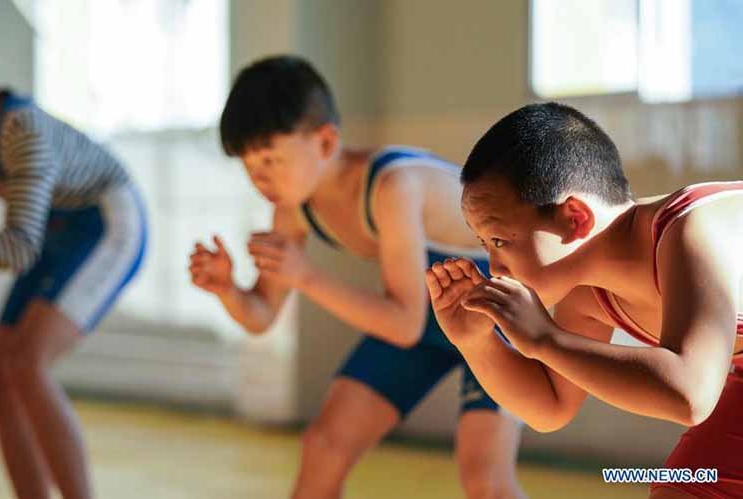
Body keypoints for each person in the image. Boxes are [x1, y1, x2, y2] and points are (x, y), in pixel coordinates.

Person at [189, 55, 526, 499]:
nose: (260, 178)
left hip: (497, 305)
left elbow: (403, 324)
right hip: (427, 312)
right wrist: (227, 290)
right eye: (250, 166)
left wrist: (306, 277)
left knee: (484, 479)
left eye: (271, 159)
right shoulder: (291, 207)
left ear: (326, 142)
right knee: (323, 447)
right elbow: (262, 316)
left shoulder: (393, 185)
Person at [426, 101, 743, 498]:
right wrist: (476, 343)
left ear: (575, 218)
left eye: (501, 241)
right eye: (485, 244)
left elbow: (690, 394)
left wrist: (545, 338)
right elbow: (551, 406)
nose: (495, 267)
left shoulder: (691, 229)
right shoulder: (587, 293)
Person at [0, 3, 146, 498]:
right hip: (53, 229)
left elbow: (16, 248)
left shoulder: (21, 132)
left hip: (105, 218)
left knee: (26, 365)